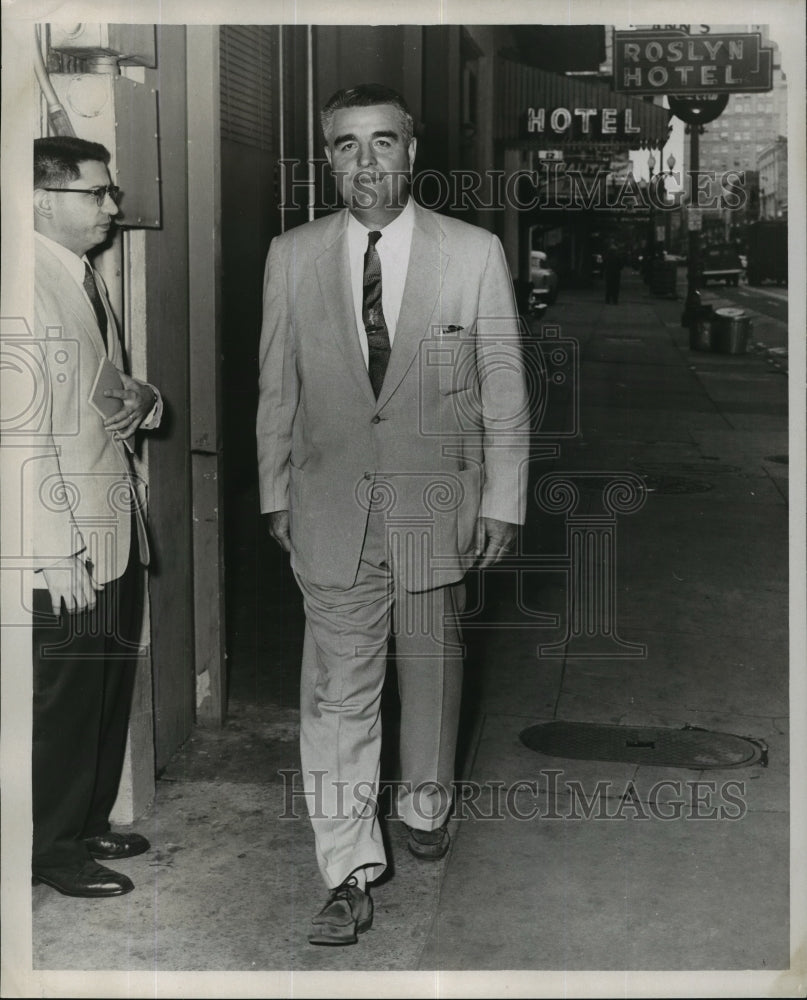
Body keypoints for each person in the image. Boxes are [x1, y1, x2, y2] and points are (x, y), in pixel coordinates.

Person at [257, 84, 529, 945]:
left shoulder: (472, 252)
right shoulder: (291, 255)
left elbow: (504, 387)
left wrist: (504, 498)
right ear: (327, 158)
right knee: (338, 697)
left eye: (383, 143)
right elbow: (276, 388)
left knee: (433, 674)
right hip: (329, 508)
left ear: (413, 152)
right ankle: (347, 870)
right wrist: (274, 494)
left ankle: (424, 799)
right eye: (346, 146)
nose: (366, 162)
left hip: (438, 506)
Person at [30, 136, 162, 897]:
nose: (112, 206)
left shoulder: (80, 274)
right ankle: (49, 848)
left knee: (105, 685)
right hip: (67, 539)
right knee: (63, 698)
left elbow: (102, 389)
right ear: (43, 198)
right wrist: (53, 553)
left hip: (112, 525)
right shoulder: (22, 283)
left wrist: (146, 401)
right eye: (96, 193)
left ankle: (82, 824)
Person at [604, 239, 623, 304]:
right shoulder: (617, 257)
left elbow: (604, 264)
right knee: (615, 287)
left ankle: (608, 300)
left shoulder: (607, 257)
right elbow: (621, 266)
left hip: (609, 273)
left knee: (609, 287)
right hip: (616, 274)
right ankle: (615, 300)